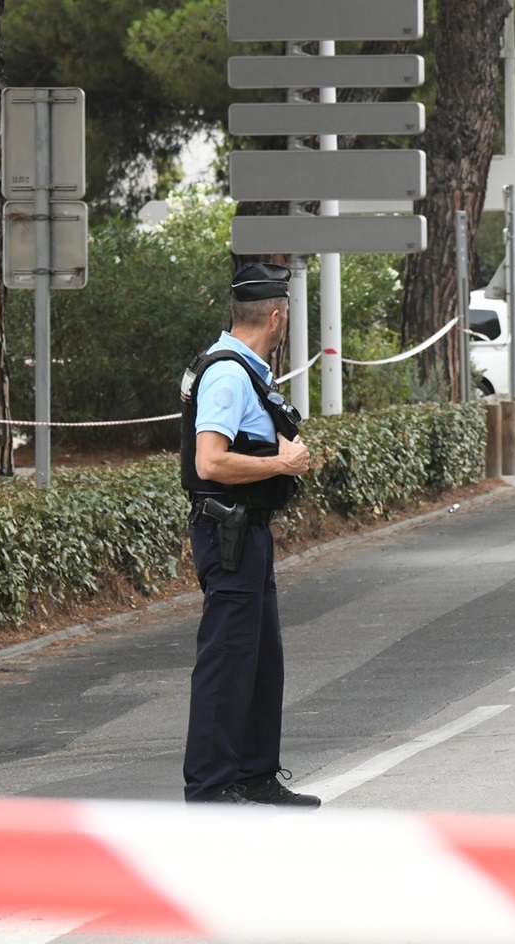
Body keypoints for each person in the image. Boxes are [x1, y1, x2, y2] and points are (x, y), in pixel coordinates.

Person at [179, 262, 318, 806]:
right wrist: (281, 466)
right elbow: (210, 462)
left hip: (248, 531)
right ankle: (211, 790)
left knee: (261, 659)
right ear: (277, 316)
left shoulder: (245, 368)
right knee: (227, 660)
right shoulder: (228, 375)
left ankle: (256, 775)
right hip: (227, 531)